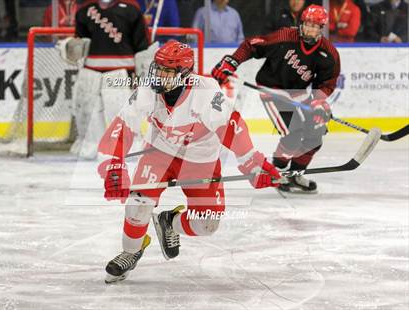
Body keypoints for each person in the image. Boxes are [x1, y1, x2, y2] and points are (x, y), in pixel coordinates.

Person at [96, 40, 281, 283]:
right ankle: (131, 251)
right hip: (158, 154)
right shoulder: (148, 91)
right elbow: (122, 127)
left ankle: (169, 222)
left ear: (184, 74)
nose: (159, 77)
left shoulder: (207, 93)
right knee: (138, 203)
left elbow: (232, 128)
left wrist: (251, 162)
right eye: (158, 69)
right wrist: (113, 165)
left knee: (206, 224)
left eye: (167, 72)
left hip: (200, 160)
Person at [212, 4, 341, 194]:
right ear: (301, 23)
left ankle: (295, 175)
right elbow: (251, 45)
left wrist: (319, 102)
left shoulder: (328, 54)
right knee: (293, 133)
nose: (310, 28)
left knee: (316, 131)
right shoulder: (284, 37)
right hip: (272, 88)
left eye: (315, 26)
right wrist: (232, 61)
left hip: (298, 91)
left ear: (321, 28)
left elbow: (326, 83)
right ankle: (279, 172)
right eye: (307, 24)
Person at [62, 0, 150, 159]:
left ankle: (127, 147)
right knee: (89, 114)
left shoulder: (131, 10)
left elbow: (142, 46)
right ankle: (90, 146)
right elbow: (81, 45)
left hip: (122, 73)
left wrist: (141, 73)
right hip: (91, 74)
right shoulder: (84, 11)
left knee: (123, 113)